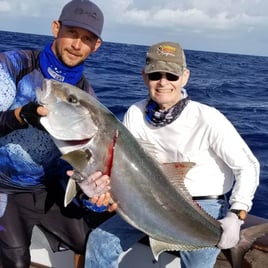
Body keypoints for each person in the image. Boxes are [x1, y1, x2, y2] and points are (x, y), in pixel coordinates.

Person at [83, 41, 260, 268]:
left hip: (205, 207)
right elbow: (123, 168)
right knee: (100, 241)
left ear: (185, 77)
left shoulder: (208, 118)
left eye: (172, 76)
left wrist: (237, 214)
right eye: (156, 74)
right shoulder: (135, 114)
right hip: (150, 198)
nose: (163, 82)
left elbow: (247, 166)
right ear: (145, 76)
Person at [0, 1, 113, 267]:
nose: (77, 44)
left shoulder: (86, 95)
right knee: (16, 262)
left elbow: (89, 156)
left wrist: (94, 187)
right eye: (72, 32)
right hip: (5, 187)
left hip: (52, 189)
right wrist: (19, 117)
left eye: (87, 39)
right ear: (56, 28)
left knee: (93, 243)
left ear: (96, 46)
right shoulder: (14, 65)